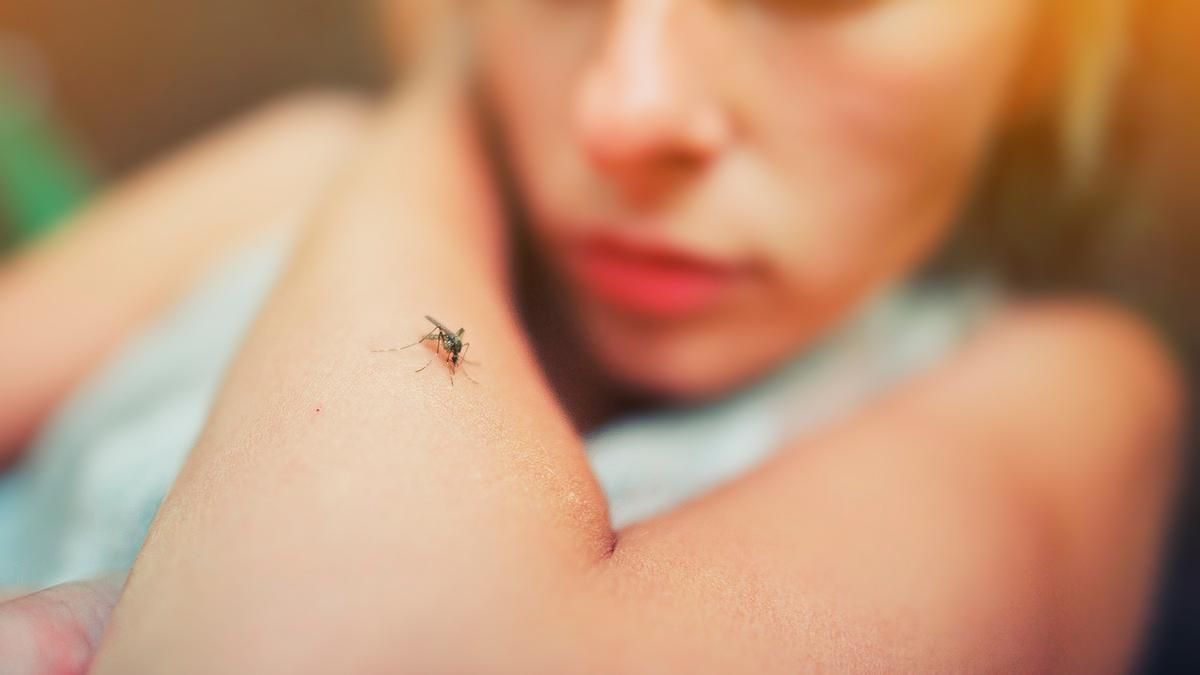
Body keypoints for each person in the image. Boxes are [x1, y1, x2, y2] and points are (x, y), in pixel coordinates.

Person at [0, 1, 1184, 672]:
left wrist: (434, 119)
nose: (629, 109)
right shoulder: (292, 168)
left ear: (1049, 43)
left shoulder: (1062, 392)